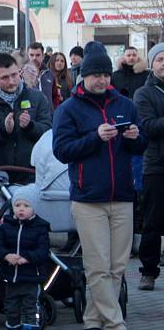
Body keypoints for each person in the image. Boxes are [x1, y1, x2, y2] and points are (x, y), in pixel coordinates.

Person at [53, 41, 146, 330]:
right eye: (96, 75)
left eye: (105, 75)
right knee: (97, 266)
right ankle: (115, 323)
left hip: (122, 196)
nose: (102, 80)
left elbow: (142, 145)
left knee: (117, 267)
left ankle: (94, 320)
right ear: (84, 76)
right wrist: (95, 137)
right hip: (87, 198)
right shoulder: (69, 108)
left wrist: (134, 138)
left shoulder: (125, 104)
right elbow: (62, 150)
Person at [0, 52, 52, 184]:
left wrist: (30, 126)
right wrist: (3, 132)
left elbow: (49, 134)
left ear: (19, 71)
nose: (11, 81)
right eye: (4, 77)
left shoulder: (37, 97)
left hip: (32, 175)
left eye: (14, 75)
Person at [0, 186, 51, 330]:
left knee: (30, 306)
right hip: (11, 277)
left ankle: (32, 326)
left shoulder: (40, 227)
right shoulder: (6, 226)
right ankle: (13, 326)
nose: (21, 209)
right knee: (11, 307)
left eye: (26, 205)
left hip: (31, 277)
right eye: (17, 205)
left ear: (34, 208)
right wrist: (6, 255)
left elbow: (43, 251)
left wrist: (27, 257)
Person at [132, 43, 164, 291]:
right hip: (156, 164)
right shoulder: (144, 93)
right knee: (152, 222)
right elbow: (149, 127)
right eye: (160, 59)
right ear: (152, 64)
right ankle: (149, 271)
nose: (163, 63)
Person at [28, 42, 55, 109]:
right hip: (29, 116)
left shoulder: (50, 74)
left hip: (48, 117)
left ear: (43, 56)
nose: (34, 58)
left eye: (37, 55)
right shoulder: (21, 75)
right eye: (31, 55)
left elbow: (55, 96)